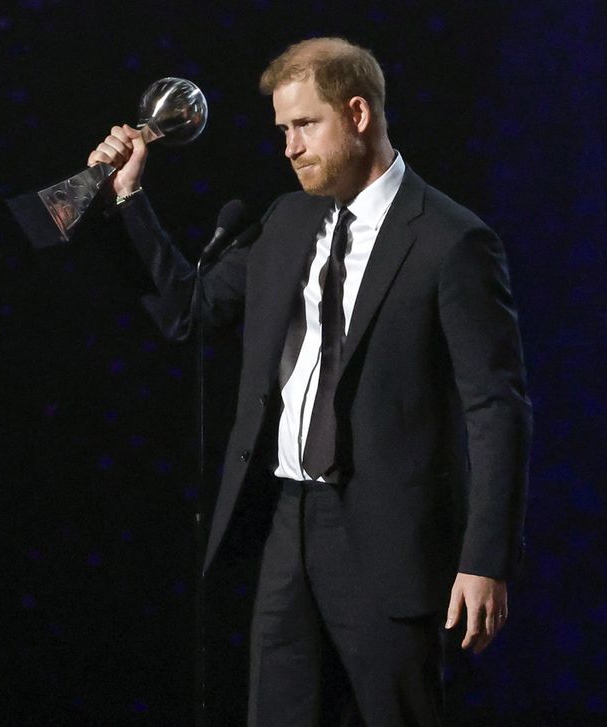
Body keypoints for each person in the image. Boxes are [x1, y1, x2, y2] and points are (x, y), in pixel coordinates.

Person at [87, 37, 531, 727]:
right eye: (282, 130)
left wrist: (485, 558)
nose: (289, 146)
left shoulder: (450, 240)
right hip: (287, 526)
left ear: (357, 113)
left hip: (388, 539)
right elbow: (190, 308)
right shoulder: (289, 220)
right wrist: (129, 197)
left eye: (303, 125)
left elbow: (496, 406)